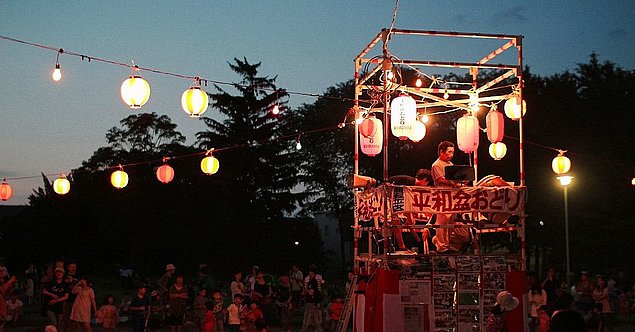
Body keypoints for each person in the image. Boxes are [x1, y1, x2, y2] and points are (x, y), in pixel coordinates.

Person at [431, 141, 459, 253]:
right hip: (442, 197)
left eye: (452, 152)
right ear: (441, 152)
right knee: (442, 221)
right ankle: (441, 246)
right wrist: (452, 183)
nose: (451, 154)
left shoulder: (450, 165)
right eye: (449, 152)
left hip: (452, 197)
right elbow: (440, 179)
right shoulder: (436, 165)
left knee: (450, 222)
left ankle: (447, 243)